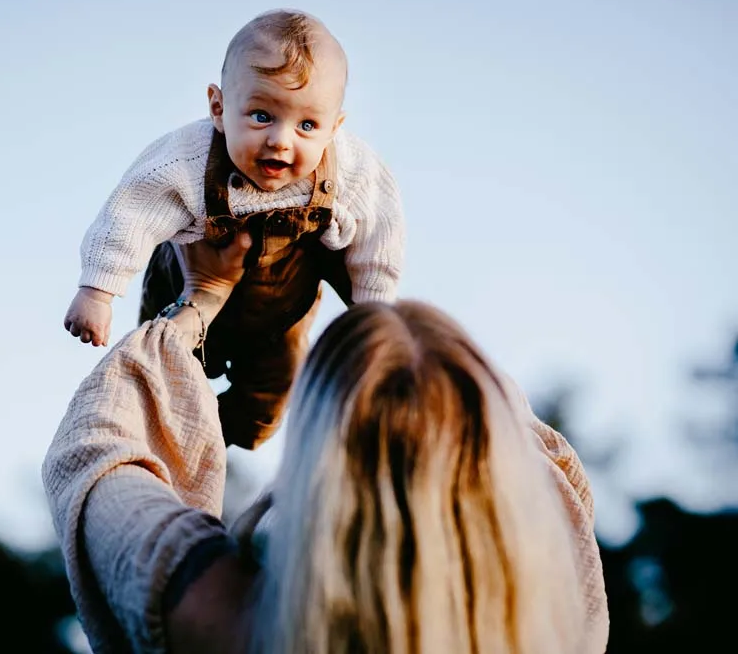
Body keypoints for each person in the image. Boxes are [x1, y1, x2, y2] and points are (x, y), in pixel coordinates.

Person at [42, 234, 610, 653]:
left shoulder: (226, 621)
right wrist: (376, 300)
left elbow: (96, 456)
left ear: (317, 459)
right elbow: (541, 460)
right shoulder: (564, 616)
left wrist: (199, 302)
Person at [62, 9, 404, 449]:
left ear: (335, 128)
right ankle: (160, 432)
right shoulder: (188, 158)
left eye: (307, 125)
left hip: (281, 307)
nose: (281, 140)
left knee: (268, 403)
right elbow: (132, 209)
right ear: (219, 108)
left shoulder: (353, 169)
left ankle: (213, 443)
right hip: (182, 282)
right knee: (159, 371)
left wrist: (373, 317)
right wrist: (98, 291)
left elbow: (380, 238)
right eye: (261, 116)